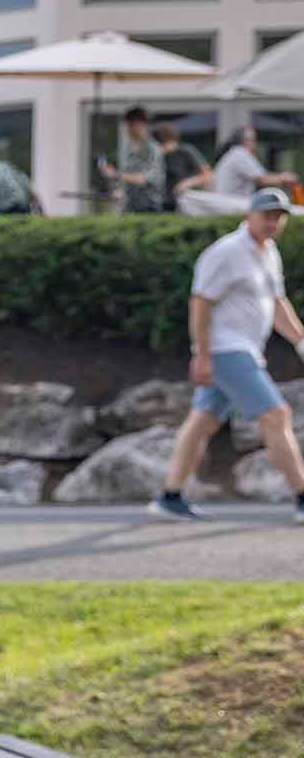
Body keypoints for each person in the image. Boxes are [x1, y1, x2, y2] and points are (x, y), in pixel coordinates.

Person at [150, 187, 304, 523]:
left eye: (279, 217)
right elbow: (200, 302)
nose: (273, 222)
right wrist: (202, 354)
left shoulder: (269, 253)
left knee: (202, 421)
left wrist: (300, 339)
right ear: (250, 214)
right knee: (276, 415)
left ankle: (170, 497)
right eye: (267, 215)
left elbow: (276, 303)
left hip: (243, 350)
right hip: (226, 349)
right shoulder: (226, 253)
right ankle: (303, 496)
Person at [98, 107, 164, 213]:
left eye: (131, 124)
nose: (128, 128)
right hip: (129, 208)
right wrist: (117, 190)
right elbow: (124, 178)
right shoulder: (126, 149)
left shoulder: (153, 149)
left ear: (142, 125)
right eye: (128, 125)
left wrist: (116, 174)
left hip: (149, 209)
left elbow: (145, 179)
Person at [212, 125, 298, 200]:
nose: (254, 143)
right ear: (245, 140)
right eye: (253, 139)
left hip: (229, 202)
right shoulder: (240, 153)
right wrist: (284, 177)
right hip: (232, 204)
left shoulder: (234, 153)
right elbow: (263, 179)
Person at [157, 124, 214, 211]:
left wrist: (186, 183)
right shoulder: (156, 155)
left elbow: (208, 175)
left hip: (184, 201)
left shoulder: (185, 151)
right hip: (162, 203)